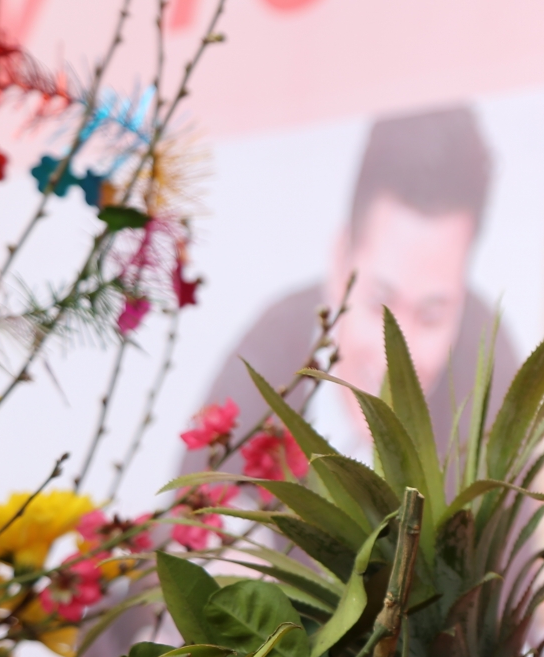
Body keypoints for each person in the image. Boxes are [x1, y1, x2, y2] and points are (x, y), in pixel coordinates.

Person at [184, 106, 520, 473]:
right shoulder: (263, 369)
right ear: (340, 261)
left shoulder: (492, 387)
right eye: (380, 305)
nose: (398, 358)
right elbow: (188, 515)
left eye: (431, 317)